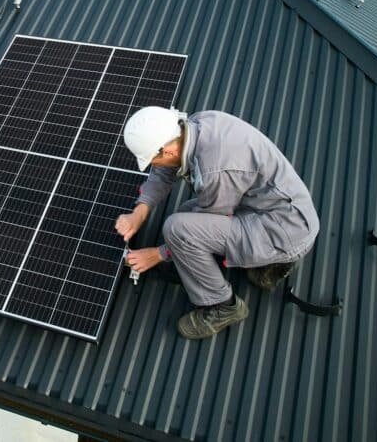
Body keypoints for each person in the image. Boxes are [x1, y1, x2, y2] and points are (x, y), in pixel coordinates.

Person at [116, 107, 319, 340]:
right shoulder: (194, 126)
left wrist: (158, 254)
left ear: (169, 150)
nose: (154, 164)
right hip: (272, 208)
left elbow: (207, 221)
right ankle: (269, 265)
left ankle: (223, 306)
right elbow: (165, 171)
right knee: (185, 215)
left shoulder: (215, 169)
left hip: (285, 230)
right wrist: (140, 212)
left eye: (153, 159)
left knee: (178, 228)